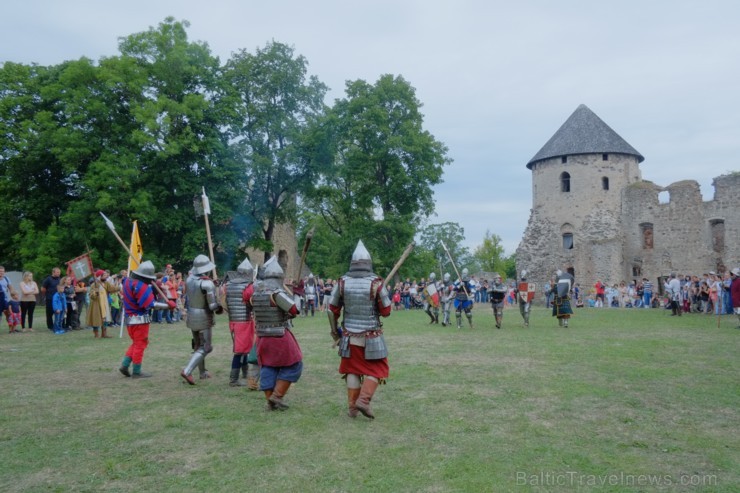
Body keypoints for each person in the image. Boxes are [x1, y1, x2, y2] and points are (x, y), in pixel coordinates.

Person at [328, 240, 392, 419]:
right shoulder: (376, 283)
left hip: (349, 336)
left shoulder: (342, 282)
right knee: (378, 369)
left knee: (352, 370)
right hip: (371, 335)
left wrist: (335, 332)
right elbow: (386, 312)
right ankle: (363, 400)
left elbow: (331, 310)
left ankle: (352, 409)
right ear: (368, 264)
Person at [248, 256, 302, 410]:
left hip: (262, 336)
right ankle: (276, 397)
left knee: (268, 366)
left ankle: (269, 401)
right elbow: (294, 310)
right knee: (294, 364)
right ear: (279, 277)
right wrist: (296, 293)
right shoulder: (276, 293)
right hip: (279, 334)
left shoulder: (255, 294)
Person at [119, 261, 176, 379]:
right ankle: (136, 371)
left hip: (130, 319)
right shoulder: (141, 287)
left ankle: (124, 365)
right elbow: (150, 304)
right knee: (140, 344)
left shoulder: (127, 282)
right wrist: (168, 305)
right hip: (140, 320)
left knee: (136, 343)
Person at [180, 255, 223, 385]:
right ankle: (187, 371)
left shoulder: (189, 279)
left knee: (199, 345)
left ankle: (202, 372)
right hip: (203, 317)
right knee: (206, 347)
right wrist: (220, 305)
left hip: (192, 314)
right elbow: (212, 306)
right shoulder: (207, 283)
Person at [225, 258, 257, 388]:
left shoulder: (227, 285)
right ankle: (233, 379)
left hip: (233, 321)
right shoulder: (248, 287)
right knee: (240, 350)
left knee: (244, 348)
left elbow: (225, 302)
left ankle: (244, 374)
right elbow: (252, 303)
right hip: (244, 321)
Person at [87, 269, 120, 338]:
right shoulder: (94, 285)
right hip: (96, 304)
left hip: (104, 303)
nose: (106, 277)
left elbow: (112, 288)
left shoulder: (106, 283)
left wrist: (119, 288)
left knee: (105, 318)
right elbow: (91, 295)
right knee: (96, 319)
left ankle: (104, 334)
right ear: (100, 276)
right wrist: (95, 293)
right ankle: (96, 334)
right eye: (104, 275)